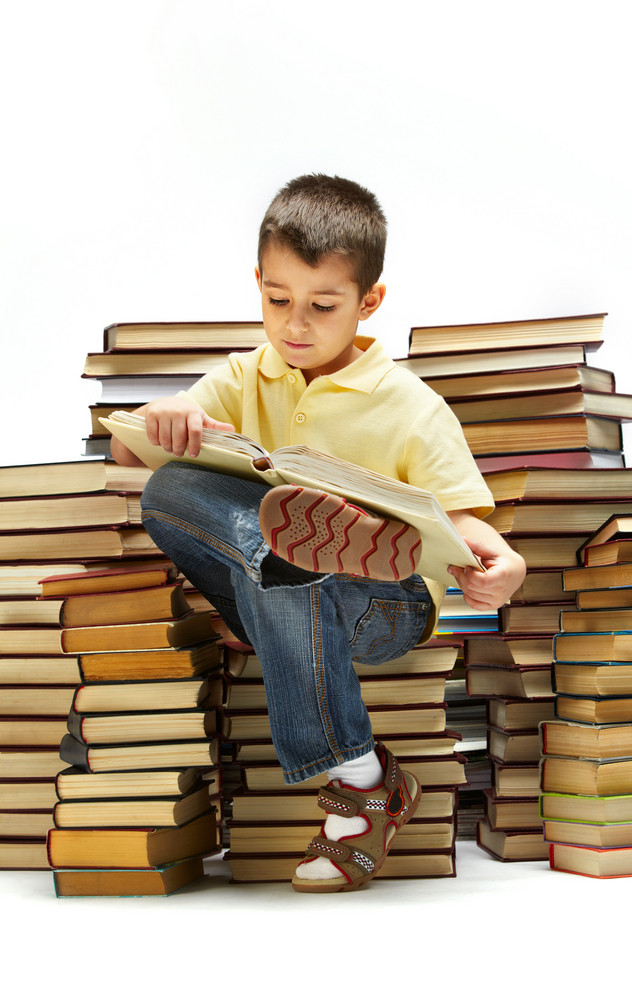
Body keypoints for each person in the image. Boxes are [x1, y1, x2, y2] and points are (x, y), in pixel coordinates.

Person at [110, 174, 526, 892]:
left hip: (383, 607)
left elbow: (460, 527)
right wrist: (166, 413)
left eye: (321, 306)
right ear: (258, 284)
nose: (293, 325)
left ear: (369, 303)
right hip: (265, 587)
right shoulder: (245, 376)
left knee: (287, 563)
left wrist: (503, 566)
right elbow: (126, 453)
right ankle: (363, 773)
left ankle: (360, 778)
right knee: (170, 486)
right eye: (277, 300)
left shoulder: (412, 407)